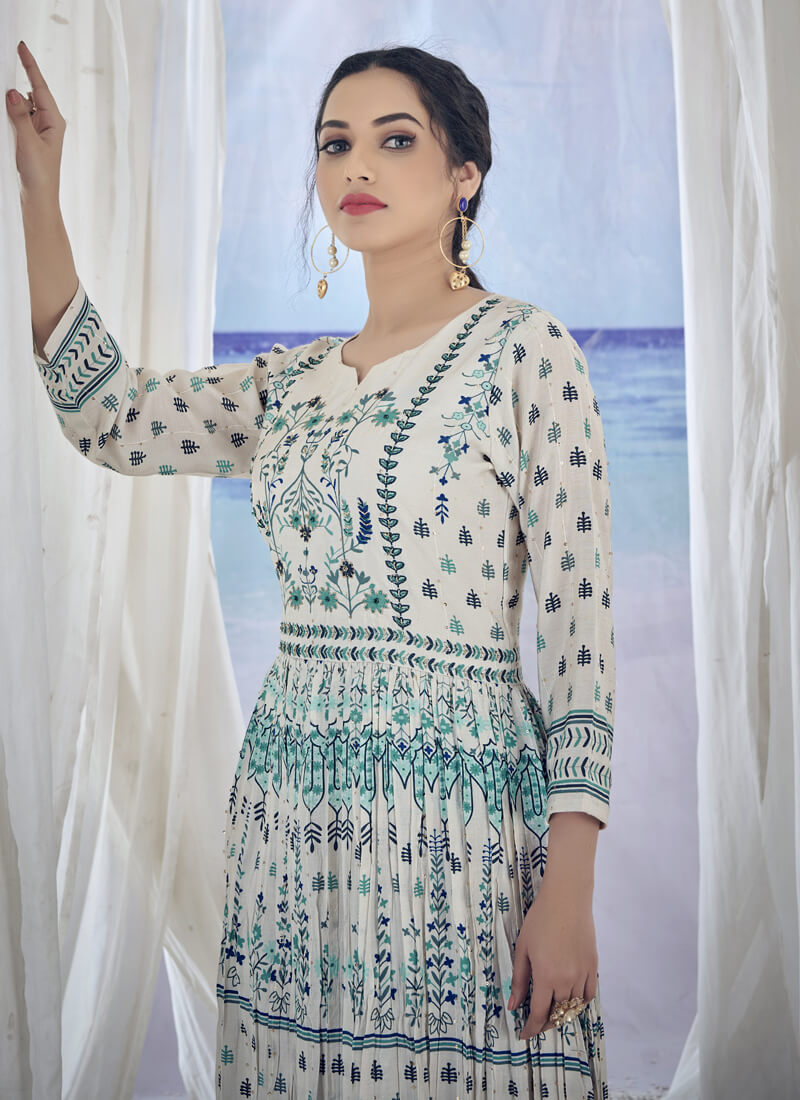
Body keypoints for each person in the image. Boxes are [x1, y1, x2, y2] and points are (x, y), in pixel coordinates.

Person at [8, 38, 615, 1100]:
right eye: (334, 144)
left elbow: (579, 637)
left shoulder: (526, 351)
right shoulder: (290, 385)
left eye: (395, 140)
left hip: (456, 818)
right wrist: (40, 193)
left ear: (465, 174)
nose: (356, 165)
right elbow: (111, 416)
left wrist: (569, 890)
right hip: (290, 810)